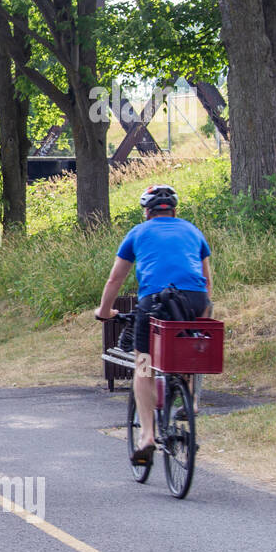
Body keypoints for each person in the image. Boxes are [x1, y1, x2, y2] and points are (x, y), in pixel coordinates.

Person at [95, 185, 213, 466]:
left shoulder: (137, 233)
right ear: (174, 210)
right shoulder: (193, 231)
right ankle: (191, 399)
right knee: (186, 348)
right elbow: (207, 281)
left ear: (147, 212)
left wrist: (104, 311)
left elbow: (115, 280)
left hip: (155, 302)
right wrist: (203, 314)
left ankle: (147, 435)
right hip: (194, 302)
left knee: (144, 365)